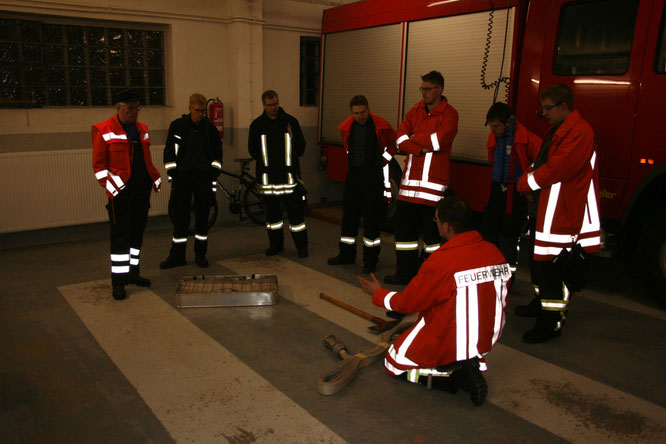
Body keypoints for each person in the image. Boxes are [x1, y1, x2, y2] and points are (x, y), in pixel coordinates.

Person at [359, 196, 510, 406]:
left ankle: (452, 379)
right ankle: (468, 361)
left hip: (453, 339)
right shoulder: (495, 252)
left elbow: (408, 303)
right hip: (486, 337)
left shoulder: (441, 261)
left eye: (436, 219)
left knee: (394, 362)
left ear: (447, 226)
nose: (435, 223)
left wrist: (378, 294)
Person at [515, 83, 601, 343]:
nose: (544, 113)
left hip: (562, 215)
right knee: (539, 265)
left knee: (552, 270)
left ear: (564, 106)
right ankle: (541, 303)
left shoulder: (579, 132)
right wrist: (530, 177)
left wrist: (525, 183)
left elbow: (557, 169)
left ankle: (551, 323)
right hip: (546, 211)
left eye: (548, 108)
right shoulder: (560, 130)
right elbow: (542, 163)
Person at [385, 70, 459, 285]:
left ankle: (430, 277)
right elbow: (400, 139)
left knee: (432, 239)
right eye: (422, 88)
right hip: (408, 191)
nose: (424, 93)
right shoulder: (415, 111)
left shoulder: (449, 114)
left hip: (432, 192)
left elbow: (440, 141)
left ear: (440, 90)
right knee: (404, 237)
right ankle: (405, 274)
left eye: (428, 89)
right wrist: (421, 147)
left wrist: (415, 138)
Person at [91, 89, 162, 301]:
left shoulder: (142, 129)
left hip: (141, 190)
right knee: (121, 238)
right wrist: (113, 189)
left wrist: (154, 177)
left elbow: (145, 158)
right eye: (131, 108)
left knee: (137, 234)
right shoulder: (103, 129)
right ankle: (119, 282)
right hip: (120, 194)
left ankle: (133, 273)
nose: (135, 112)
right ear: (119, 108)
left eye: (137, 108)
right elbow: (99, 166)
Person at [327, 95, 397, 273]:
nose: (360, 116)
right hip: (354, 177)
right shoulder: (347, 127)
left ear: (368, 109)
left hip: (372, 177)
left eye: (363, 112)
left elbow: (395, 144)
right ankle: (346, 255)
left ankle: (370, 260)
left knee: (372, 220)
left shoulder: (380, 126)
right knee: (349, 218)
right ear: (352, 113)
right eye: (356, 113)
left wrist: (383, 160)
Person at [159, 93, 223, 269]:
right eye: (197, 110)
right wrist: (173, 173)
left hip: (204, 179)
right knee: (181, 219)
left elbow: (218, 153)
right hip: (182, 179)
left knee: (202, 218)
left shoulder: (210, 129)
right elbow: (169, 152)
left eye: (203, 111)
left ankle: (200, 255)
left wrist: (214, 172)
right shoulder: (178, 127)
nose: (200, 114)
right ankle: (177, 256)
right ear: (189, 108)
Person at [481, 102, 541, 276]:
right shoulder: (494, 137)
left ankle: (507, 276)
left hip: (516, 194)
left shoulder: (526, 139)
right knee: (490, 232)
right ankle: (490, 271)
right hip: (497, 190)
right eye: (491, 126)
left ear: (508, 122)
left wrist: (526, 182)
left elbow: (542, 162)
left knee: (509, 236)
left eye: (496, 126)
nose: (493, 130)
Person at [248, 90, 308, 257]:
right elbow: (253, 150)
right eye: (269, 105)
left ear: (278, 102)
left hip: (289, 179)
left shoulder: (290, 122)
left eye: (275, 104)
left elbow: (301, 146)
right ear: (263, 105)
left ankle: (302, 248)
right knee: (273, 218)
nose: (273, 108)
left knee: (296, 218)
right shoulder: (257, 125)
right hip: (269, 181)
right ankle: (276, 246)